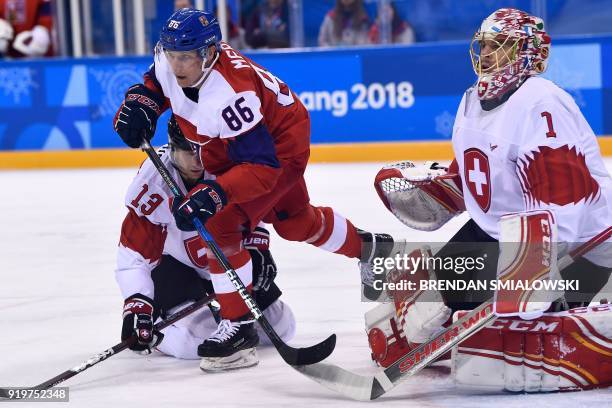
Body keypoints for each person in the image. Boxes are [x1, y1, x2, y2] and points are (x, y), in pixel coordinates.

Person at [113, 8, 392, 370]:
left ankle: (239, 330)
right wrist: (143, 103)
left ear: (209, 52)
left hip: (278, 150)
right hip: (228, 143)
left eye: (185, 57)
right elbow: (156, 82)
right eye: (172, 55)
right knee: (294, 222)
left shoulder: (231, 95)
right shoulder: (176, 59)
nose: (176, 65)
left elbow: (261, 169)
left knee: (220, 223)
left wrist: (215, 194)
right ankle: (371, 248)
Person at [366, 8, 612, 391]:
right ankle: (473, 322)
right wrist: (439, 187)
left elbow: (565, 202)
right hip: (504, 230)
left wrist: (533, 276)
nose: (486, 55)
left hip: (577, 246)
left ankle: (562, 322)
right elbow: (479, 174)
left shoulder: (541, 104)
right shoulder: (471, 100)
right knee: (417, 287)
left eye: (499, 46)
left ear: (526, 54)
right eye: (484, 45)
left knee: (500, 324)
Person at [116, 115, 295, 372]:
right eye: (188, 152)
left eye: (202, 149)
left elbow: (252, 206)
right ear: (172, 147)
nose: (197, 161)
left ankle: (225, 314)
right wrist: (137, 304)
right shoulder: (154, 185)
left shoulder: (225, 163)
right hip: (175, 268)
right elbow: (133, 253)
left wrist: (257, 246)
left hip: (222, 260)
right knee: (195, 342)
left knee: (282, 324)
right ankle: (159, 327)